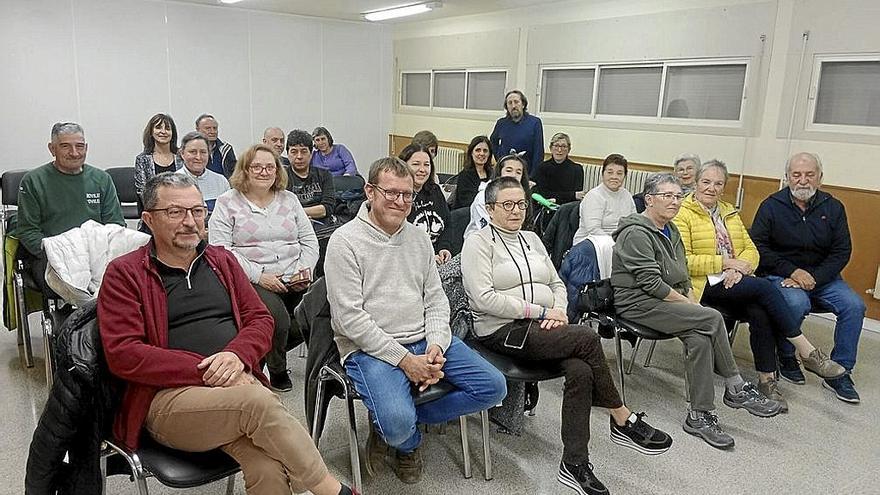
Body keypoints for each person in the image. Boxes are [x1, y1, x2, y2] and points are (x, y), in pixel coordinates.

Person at [98, 173, 355, 495]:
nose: (189, 222)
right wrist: (211, 372)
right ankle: (332, 490)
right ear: (148, 219)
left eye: (197, 211)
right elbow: (124, 354)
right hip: (166, 401)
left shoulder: (221, 261)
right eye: (175, 212)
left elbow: (260, 318)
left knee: (268, 468)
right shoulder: (125, 273)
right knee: (256, 401)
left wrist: (236, 357)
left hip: (234, 392)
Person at [462, 176, 672, 495]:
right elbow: (483, 299)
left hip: (543, 326)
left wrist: (558, 311)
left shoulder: (531, 238)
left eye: (521, 203)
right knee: (588, 339)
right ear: (490, 209)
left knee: (581, 369)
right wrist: (542, 313)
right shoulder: (478, 242)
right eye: (507, 204)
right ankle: (621, 417)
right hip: (501, 330)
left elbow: (557, 284)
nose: (516, 210)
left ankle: (574, 465)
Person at [324, 157, 506, 485]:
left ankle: (402, 423)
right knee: (396, 424)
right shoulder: (345, 241)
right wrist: (407, 362)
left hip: (423, 337)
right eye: (391, 193)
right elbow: (350, 320)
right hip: (369, 348)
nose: (400, 202)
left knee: (493, 387)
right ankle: (407, 439)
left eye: (407, 195)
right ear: (369, 191)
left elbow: (436, 299)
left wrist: (436, 342)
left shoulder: (419, 238)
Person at [611, 172, 782, 450]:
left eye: (678, 196)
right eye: (667, 196)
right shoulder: (635, 233)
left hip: (667, 301)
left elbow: (682, 275)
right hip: (637, 304)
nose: (675, 202)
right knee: (712, 317)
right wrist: (693, 306)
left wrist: (692, 299)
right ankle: (736, 386)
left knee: (700, 337)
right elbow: (651, 284)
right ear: (649, 199)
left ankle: (699, 415)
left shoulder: (671, 229)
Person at [673, 159, 845, 411]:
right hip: (700, 284)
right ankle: (807, 351)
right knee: (766, 289)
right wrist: (727, 263)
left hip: (734, 279)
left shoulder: (728, 211)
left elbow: (751, 249)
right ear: (696, 183)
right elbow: (683, 260)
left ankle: (767, 380)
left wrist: (739, 267)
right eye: (706, 182)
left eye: (718, 183)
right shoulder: (682, 212)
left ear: (724, 187)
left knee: (760, 310)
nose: (712, 188)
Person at [751, 152, 866, 404]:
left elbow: (841, 251)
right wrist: (793, 272)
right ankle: (787, 355)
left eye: (809, 174)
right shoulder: (771, 206)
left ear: (820, 178)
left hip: (823, 278)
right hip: (782, 275)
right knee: (795, 303)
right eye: (797, 175)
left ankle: (840, 372)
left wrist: (813, 277)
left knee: (855, 305)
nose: (803, 180)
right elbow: (759, 247)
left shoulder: (833, 207)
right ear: (787, 178)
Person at [209, 143, 319, 392]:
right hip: (252, 278)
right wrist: (260, 276)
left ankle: (260, 355)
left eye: (270, 167)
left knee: (318, 310)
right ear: (245, 170)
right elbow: (221, 250)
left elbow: (309, 241)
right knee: (275, 320)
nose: (264, 172)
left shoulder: (289, 200)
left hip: (294, 274)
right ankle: (278, 369)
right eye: (256, 166)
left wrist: (303, 269)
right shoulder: (228, 203)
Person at [14, 122, 125, 295]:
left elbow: (115, 225)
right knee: (76, 291)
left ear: (86, 147)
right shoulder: (33, 181)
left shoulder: (102, 179)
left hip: (96, 256)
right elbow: (28, 232)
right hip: (53, 257)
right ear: (52, 149)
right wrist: (60, 253)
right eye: (65, 146)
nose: (74, 153)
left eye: (79, 146)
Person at [398, 144, 452, 264]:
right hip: (411, 261)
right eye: (416, 164)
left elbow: (447, 224)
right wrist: (428, 257)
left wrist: (444, 248)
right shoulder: (397, 197)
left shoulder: (435, 190)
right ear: (403, 166)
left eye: (426, 165)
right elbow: (398, 240)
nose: (422, 169)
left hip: (438, 258)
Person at [464, 154, 532, 240]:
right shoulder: (483, 195)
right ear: (499, 172)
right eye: (509, 170)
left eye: (518, 172)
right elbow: (487, 230)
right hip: (481, 242)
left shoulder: (522, 196)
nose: (513, 175)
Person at [572, 154, 635, 245]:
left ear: (625, 176)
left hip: (620, 244)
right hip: (592, 245)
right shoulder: (594, 196)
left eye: (619, 173)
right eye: (610, 172)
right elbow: (593, 230)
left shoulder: (627, 195)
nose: (614, 177)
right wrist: (616, 244)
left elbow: (633, 224)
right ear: (602, 174)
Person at [286, 129, 337, 223]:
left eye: (304, 151)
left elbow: (327, 208)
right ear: (287, 154)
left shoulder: (324, 175)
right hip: (291, 224)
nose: (299, 156)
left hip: (322, 226)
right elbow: (281, 210)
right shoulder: (281, 176)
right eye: (294, 152)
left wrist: (299, 213)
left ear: (310, 154)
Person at [489, 90, 544, 175]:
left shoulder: (535, 123)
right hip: (506, 171)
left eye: (516, 102)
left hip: (527, 172)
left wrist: (533, 176)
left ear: (523, 104)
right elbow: (493, 142)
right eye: (510, 103)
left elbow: (538, 152)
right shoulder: (501, 123)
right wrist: (500, 159)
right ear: (506, 107)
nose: (513, 106)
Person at [134, 113, 184, 203]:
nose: (163, 131)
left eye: (168, 128)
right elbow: (142, 191)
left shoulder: (182, 157)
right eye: (158, 127)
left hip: (180, 205)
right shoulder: (142, 159)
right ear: (151, 132)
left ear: (173, 133)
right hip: (154, 207)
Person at [176, 131, 230, 212]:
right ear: (182, 153)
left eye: (203, 152)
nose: (198, 157)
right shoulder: (173, 183)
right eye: (193, 152)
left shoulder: (221, 181)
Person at [532, 132, 585, 206]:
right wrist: (571, 195)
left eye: (563, 146)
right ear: (551, 148)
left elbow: (577, 197)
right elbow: (543, 194)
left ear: (569, 149)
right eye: (556, 146)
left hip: (567, 209)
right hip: (547, 207)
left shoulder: (577, 169)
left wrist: (556, 198)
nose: (559, 150)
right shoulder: (542, 168)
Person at [451, 136, 493, 210]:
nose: (482, 153)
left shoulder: (492, 174)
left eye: (485, 151)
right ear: (471, 153)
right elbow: (467, 202)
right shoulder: (464, 176)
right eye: (478, 150)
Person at [195, 113, 237, 177]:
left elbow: (234, 172)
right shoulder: (190, 150)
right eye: (208, 128)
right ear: (198, 130)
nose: (212, 131)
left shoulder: (226, 149)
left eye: (215, 128)